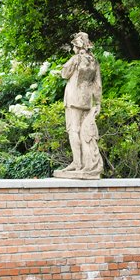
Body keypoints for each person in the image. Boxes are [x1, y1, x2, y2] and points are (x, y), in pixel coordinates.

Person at [54, 31, 103, 179]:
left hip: (73, 99)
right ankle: (85, 163)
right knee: (84, 131)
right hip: (87, 100)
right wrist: (98, 102)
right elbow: (98, 84)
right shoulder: (94, 61)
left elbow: (64, 74)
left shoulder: (76, 59)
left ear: (77, 46)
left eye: (74, 45)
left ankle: (77, 163)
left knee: (73, 130)